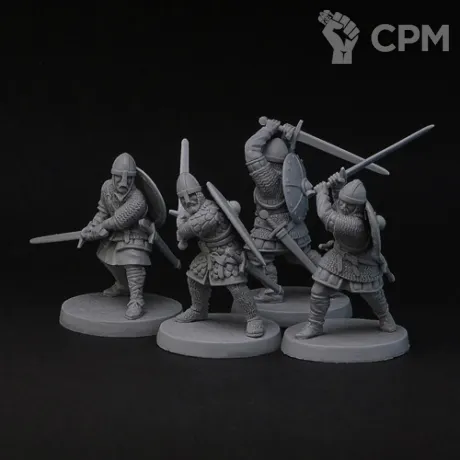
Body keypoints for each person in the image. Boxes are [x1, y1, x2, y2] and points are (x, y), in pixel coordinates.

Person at [296, 167, 397, 339]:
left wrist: (322, 192)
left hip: (361, 262)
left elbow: (326, 215)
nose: (343, 206)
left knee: (373, 295)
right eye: (343, 201)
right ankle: (314, 324)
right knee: (319, 290)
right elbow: (338, 208)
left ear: (358, 207)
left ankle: (385, 316)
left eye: (348, 205)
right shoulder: (347, 210)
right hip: (338, 256)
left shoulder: (356, 224)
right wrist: (338, 187)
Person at [173, 171, 265, 338]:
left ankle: (253, 318)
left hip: (227, 253)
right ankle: (199, 309)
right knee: (194, 279)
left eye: (191, 195)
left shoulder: (210, 211)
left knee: (236, 287)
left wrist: (181, 224)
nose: (187, 201)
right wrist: (185, 220)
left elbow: (188, 230)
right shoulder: (196, 212)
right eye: (182, 198)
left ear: (199, 194)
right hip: (207, 253)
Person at [244, 118, 320, 303]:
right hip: (294, 227)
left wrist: (268, 129)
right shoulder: (290, 171)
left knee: (257, 257)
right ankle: (329, 282)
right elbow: (289, 165)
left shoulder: (268, 179)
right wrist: (288, 140)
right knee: (304, 255)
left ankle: (273, 292)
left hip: (269, 227)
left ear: (267, 160)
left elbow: (251, 149)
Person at [80, 153, 153, 320]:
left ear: (133, 179)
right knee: (106, 257)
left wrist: (97, 230)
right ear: (113, 175)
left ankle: (136, 300)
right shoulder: (106, 188)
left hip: (134, 234)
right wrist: (91, 226)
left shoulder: (138, 200)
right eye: (119, 177)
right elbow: (102, 211)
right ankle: (122, 285)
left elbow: (118, 220)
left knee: (133, 263)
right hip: (113, 234)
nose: (123, 182)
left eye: (128, 178)